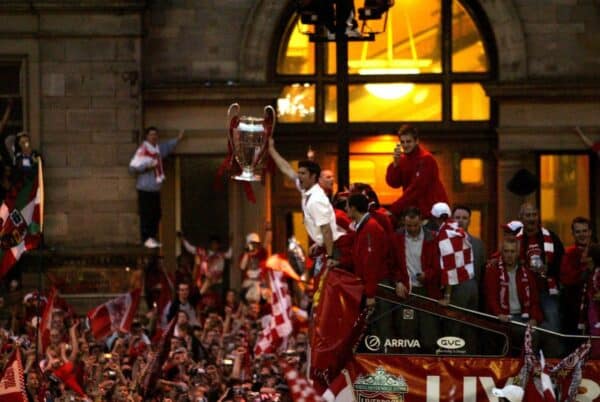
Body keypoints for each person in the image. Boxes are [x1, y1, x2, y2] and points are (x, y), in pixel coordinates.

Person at [268, 138, 345, 276]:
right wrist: (271, 150)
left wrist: (330, 256)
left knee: (326, 292)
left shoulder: (316, 199)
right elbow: (287, 170)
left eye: (303, 173)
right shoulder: (306, 190)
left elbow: (326, 230)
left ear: (313, 177)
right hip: (326, 247)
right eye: (300, 172)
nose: (299, 176)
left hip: (333, 251)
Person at [391, 206, 440, 352]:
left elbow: (438, 265)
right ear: (403, 223)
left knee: (429, 336)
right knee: (407, 336)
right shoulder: (396, 238)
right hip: (407, 293)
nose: (412, 229)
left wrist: (427, 274)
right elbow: (391, 264)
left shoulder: (433, 238)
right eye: (408, 226)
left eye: (415, 225)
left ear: (422, 222)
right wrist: (398, 281)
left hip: (427, 292)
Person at [129, 127, 184, 248]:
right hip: (145, 189)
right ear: (147, 137)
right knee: (146, 215)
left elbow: (167, 147)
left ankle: (152, 237)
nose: (154, 137)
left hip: (155, 189)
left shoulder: (157, 150)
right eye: (151, 135)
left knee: (156, 214)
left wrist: (178, 139)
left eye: (155, 135)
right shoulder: (143, 151)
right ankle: (146, 238)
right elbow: (132, 167)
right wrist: (147, 167)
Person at [516, 203, 564, 335]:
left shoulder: (551, 237)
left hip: (547, 291)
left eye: (534, 215)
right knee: (525, 330)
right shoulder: (515, 239)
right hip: (524, 293)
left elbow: (561, 262)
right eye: (528, 215)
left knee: (553, 327)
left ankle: (553, 355)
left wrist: (548, 269)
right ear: (521, 218)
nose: (532, 219)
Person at [385, 124, 448, 220]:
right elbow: (393, 183)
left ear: (416, 141)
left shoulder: (426, 159)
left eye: (408, 141)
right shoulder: (403, 159)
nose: (405, 145)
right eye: (402, 142)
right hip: (416, 212)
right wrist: (395, 165)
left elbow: (416, 189)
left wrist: (394, 209)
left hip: (431, 213)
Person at [484, 240, 543, 325]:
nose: (509, 255)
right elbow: (491, 297)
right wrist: (499, 314)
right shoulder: (493, 271)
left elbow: (534, 300)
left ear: (518, 253)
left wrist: (534, 319)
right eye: (506, 251)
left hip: (524, 316)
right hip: (503, 317)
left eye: (512, 251)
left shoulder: (526, 272)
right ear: (501, 253)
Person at [345, 193, 387, 311]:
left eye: (347, 206)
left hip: (377, 288)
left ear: (353, 208)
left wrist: (370, 294)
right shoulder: (363, 227)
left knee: (380, 328)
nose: (345, 209)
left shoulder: (370, 228)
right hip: (371, 286)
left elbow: (371, 262)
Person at [560, 217, 596, 335]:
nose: (582, 234)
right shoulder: (569, 254)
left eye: (585, 231)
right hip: (575, 306)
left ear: (590, 232)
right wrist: (586, 269)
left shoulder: (597, 251)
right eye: (578, 232)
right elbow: (567, 279)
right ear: (573, 234)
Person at [453, 205, 486, 311]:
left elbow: (482, 270)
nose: (460, 221)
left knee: (470, 325)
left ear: (469, 221)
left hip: (473, 291)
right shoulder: (444, 242)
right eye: (457, 218)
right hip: (453, 292)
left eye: (464, 218)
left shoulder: (478, 244)